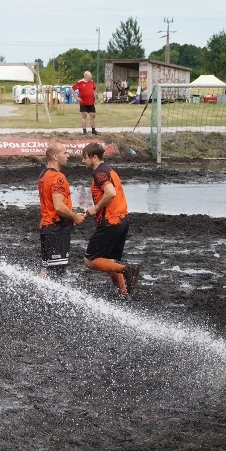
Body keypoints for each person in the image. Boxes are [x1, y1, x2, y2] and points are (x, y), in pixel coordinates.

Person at [80, 142, 139, 297]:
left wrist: (95, 208)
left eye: (84, 158)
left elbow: (110, 192)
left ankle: (127, 270)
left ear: (94, 157)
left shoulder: (99, 173)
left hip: (111, 222)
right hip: (123, 221)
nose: (82, 161)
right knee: (108, 260)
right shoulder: (110, 170)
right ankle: (123, 292)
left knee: (90, 260)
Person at [37, 142, 85, 278]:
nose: (68, 155)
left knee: (46, 267)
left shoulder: (43, 175)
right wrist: (74, 217)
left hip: (47, 227)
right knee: (57, 271)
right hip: (57, 229)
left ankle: (37, 295)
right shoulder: (57, 177)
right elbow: (58, 207)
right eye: (65, 153)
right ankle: (53, 298)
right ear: (55, 157)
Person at [73, 70, 98, 135]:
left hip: (91, 102)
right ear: (86, 76)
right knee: (84, 115)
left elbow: (95, 88)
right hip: (83, 102)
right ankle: (84, 131)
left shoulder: (91, 82)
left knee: (93, 115)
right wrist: (76, 97)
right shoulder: (80, 82)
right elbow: (72, 88)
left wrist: (94, 95)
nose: (91, 78)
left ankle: (93, 130)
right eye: (90, 77)